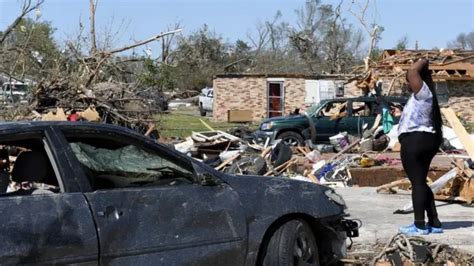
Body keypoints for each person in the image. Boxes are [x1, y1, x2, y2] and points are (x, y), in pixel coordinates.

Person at [398, 59, 444, 235]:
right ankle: (435, 222)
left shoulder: (423, 92)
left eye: (409, 81)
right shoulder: (424, 96)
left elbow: (412, 72)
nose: (408, 83)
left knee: (417, 183)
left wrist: (423, 61)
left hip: (415, 141)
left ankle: (419, 224)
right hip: (426, 140)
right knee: (421, 182)